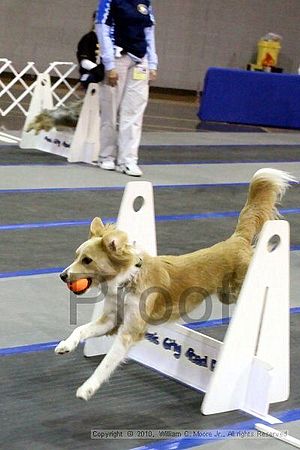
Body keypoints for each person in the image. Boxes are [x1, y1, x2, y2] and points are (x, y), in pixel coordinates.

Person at [95, 0, 158, 177]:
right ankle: (105, 155)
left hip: (139, 60)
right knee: (110, 109)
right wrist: (109, 64)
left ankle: (127, 160)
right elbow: (102, 28)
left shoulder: (145, 2)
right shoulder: (110, 1)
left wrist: (152, 63)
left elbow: (149, 31)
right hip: (117, 58)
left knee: (134, 111)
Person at [76, 11, 104, 89]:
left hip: (107, 72)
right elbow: (84, 61)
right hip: (91, 73)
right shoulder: (88, 38)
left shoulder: (109, 40)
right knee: (90, 79)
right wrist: (98, 71)